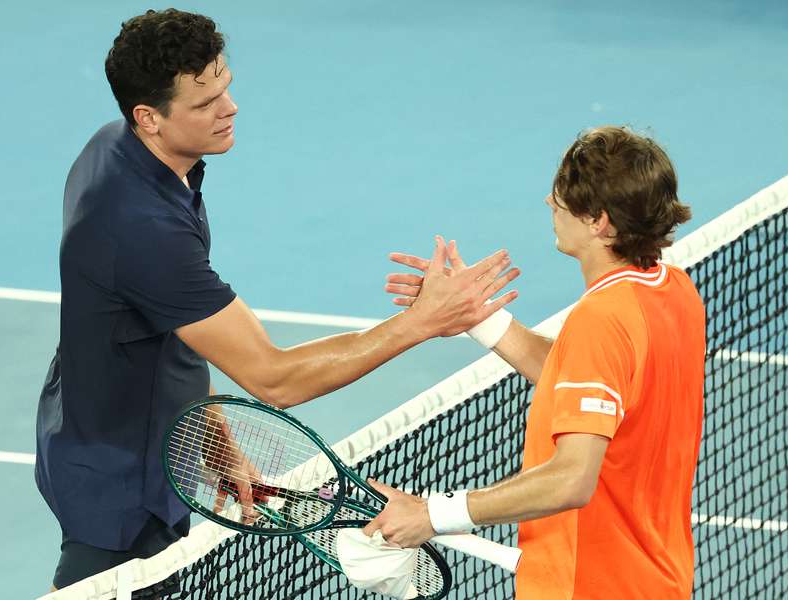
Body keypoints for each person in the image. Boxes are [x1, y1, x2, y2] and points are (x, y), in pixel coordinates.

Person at [34, 8, 520, 593]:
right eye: (205, 102)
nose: (229, 108)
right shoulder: (141, 227)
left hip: (151, 439)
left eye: (226, 88)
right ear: (150, 117)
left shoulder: (128, 150)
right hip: (119, 485)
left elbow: (171, 331)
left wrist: (217, 440)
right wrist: (422, 322)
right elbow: (276, 379)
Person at [366, 126, 705, 599]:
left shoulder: (602, 319)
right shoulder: (671, 289)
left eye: (562, 196)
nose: (550, 202)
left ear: (599, 223)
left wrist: (432, 514)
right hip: (654, 580)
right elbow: (587, 377)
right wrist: (479, 319)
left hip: (587, 586)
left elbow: (571, 480)